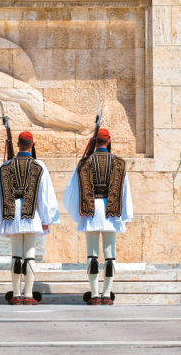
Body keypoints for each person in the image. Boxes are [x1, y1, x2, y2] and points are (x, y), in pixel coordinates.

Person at [0, 132, 60, 305]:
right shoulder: (39, 166)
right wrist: (47, 218)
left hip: (12, 215)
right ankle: (28, 295)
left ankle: (16, 294)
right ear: (32, 144)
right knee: (30, 256)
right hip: (32, 214)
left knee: (16, 256)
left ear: (18, 144)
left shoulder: (5, 166)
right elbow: (44, 194)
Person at [63, 128, 133, 305]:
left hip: (91, 212)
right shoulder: (119, 163)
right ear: (108, 141)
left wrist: (78, 213)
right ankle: (107, 294)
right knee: (110, 256)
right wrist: (125, 215)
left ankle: (94, 295)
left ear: (95, 142)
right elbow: (125, 192)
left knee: (91, 255)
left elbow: (71, 192)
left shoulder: (84, 163)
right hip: (111, 213)